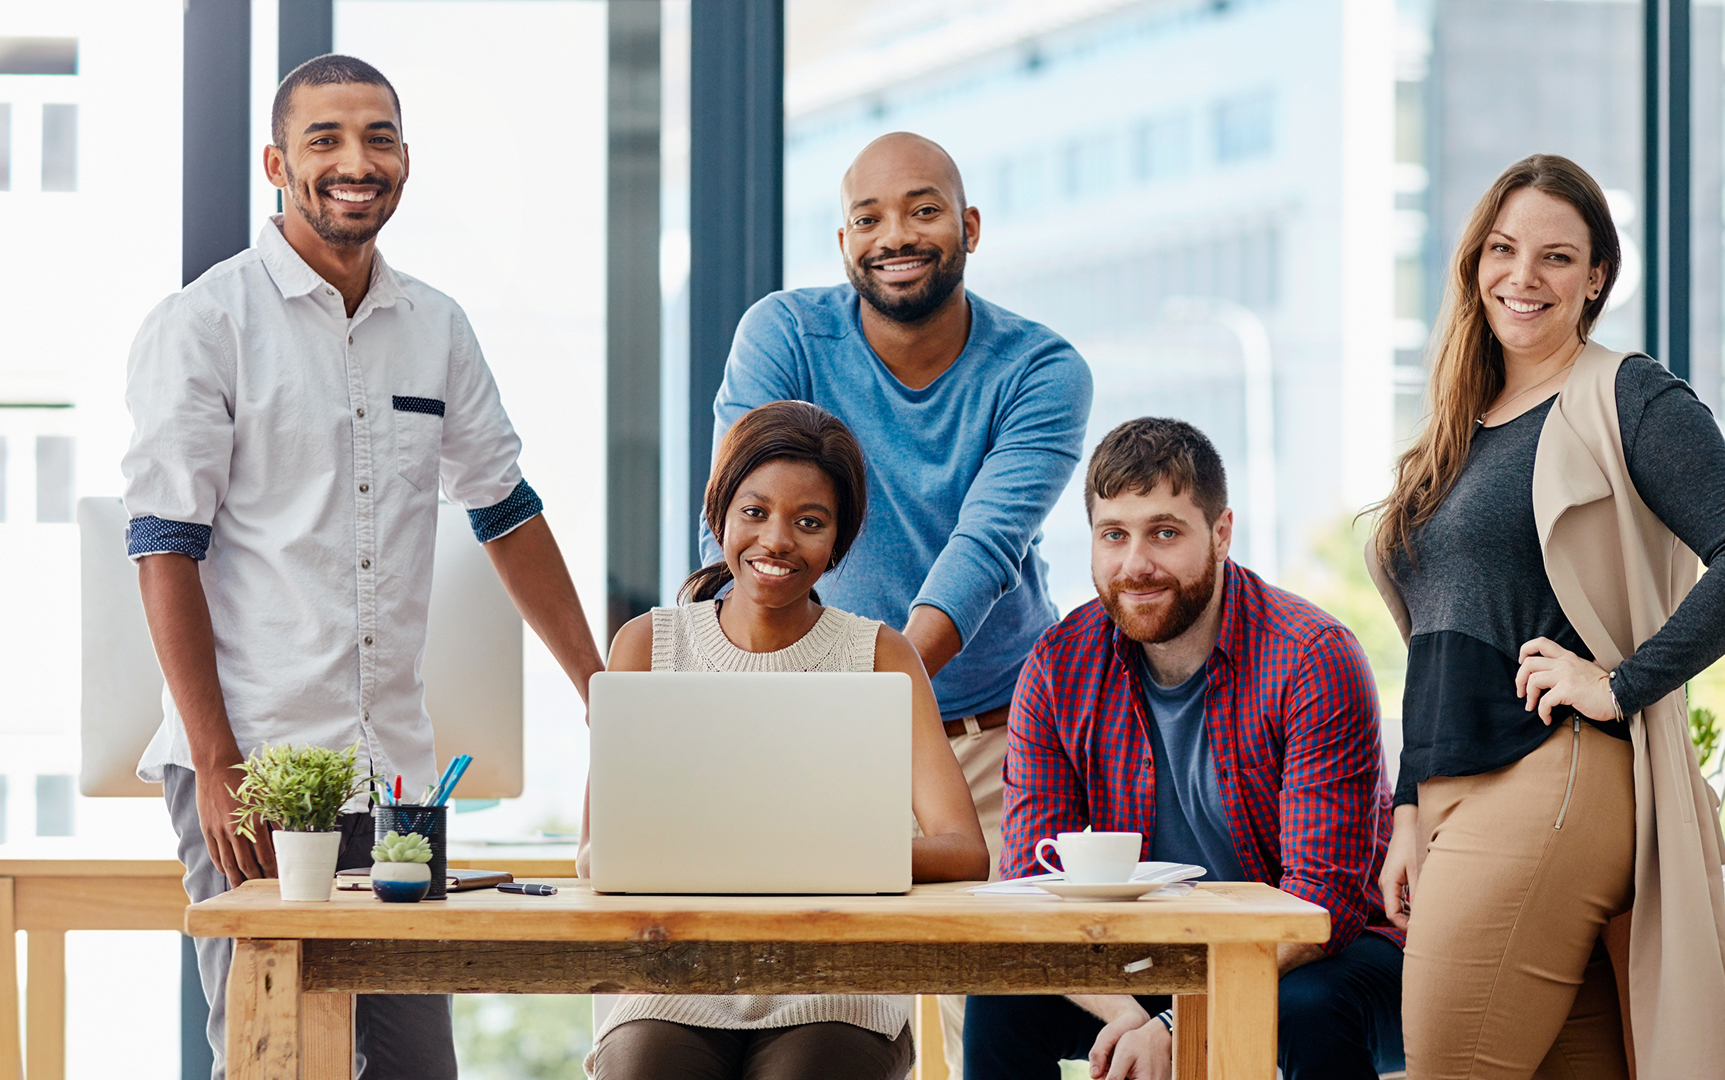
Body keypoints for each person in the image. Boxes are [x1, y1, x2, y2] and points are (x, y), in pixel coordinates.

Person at [123, 55, 605, 1080]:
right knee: (272, 1056)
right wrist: (216, 764)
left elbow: (506, 509)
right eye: (325, 139)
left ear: (405, 161)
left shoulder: (436, 326)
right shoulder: (206, 324)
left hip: (396, 774)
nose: (356, 160)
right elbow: (165, 546)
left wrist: (601, 691)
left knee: (415, 1065)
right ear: (275, 162)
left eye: (378, 137)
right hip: (258, 763)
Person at [1366, 153, 1725, 1080]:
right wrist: (1405, 812)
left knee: (1443, 1064)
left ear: (1597, 277)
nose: (1524, 277)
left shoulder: (1628, 394)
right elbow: (1434, 636)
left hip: (1550, 771)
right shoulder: (1458, 426)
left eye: (1557, 257)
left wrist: (1617, 683)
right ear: (1475, 262)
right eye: (1504, 249)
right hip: (1453, 787)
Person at [707, 130, 1092, 1071]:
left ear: (967, 226)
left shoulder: (1041, 370)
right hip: (814, 720)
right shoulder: (786, 335)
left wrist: (884, 689)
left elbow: (985, 548)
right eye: (869, 217)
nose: (896, 235)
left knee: (988, 1019)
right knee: (825, 1010)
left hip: (990, 742)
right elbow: (744, 517)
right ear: (844, 243)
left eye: (922, 210)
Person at [969, 418, 1405, 1080]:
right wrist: (1129, 1017)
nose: (1135, 563)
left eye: (1164, 533)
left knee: (1309, 1006)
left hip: (1329, 956)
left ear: (1221, 532)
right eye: (1114, 535)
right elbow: (1036, 886)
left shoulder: (1313, 656)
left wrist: (1179, 1020)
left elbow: (1322, 904)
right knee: (1002, 1000)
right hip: (1146, 959)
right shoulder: (1059, 666)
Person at [577, 400, 989, 1080]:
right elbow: (598, 857)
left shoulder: (881, 656)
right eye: (754, 512)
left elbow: (963, 849)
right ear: (720, 517)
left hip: (838, 993)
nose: (776, 540)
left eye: (809, 523)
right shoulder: (649, 645)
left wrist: (817, 857)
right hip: (670, 986)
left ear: (838, 543)